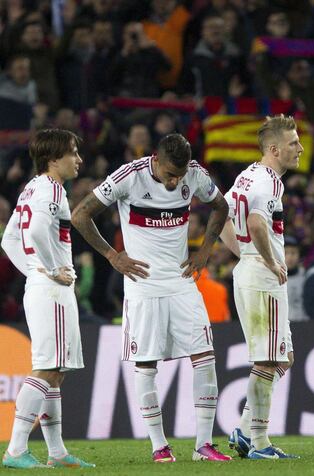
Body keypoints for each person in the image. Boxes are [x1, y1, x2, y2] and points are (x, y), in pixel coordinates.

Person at [71, 134, 231, 463]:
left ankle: (204, 444)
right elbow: (80, 214)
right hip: (143, 285)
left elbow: (221, 206)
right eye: (171, 174)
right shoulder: (129, 176)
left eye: (180, 175)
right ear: (155, 159)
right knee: (146, 364)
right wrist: (113, 256)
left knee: (205, 356)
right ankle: (159, 446)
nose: (176, 182)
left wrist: (205, 250)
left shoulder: (194, 174)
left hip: (181, 281)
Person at [1, 129, 94, 469]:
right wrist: (50, 269)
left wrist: (34, 271)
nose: (79, 159)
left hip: (45, 286)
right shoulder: (51, 189)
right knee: (46, 368)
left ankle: (56, 452)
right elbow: (38, 231)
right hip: (52, 289)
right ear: (54, 159)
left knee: (57, 371)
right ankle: (15, 450)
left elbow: (10, 240)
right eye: (73, 153)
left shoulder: (30, 190)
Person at [218, 114, 302, 460]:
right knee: (268, 360)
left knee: (284, 358)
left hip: (250, 269)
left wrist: (246, 254)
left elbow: (223, 217)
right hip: (262, 277)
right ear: (274, 148)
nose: (299, 148)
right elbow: (255, 222)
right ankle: (261, 442)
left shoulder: (246, 175)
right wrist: (266, 259)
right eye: (293, 143)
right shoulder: (268, 182)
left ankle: (243, 428)